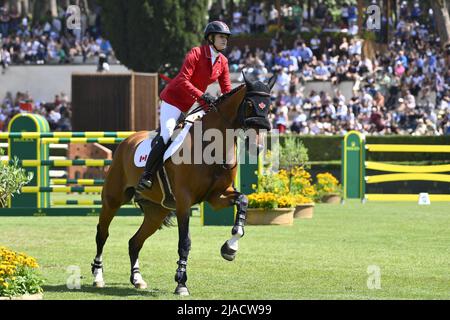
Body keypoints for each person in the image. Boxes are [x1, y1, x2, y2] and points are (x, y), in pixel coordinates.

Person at [136, 21, 232, 192]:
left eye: (226, 38)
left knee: (207, 132)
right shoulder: (196, 53)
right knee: (166, 135)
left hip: (194, 104)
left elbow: (226, 90)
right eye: (221, 37)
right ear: (210, 38)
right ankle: (147, 175)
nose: (225, 40)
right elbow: (182, 80)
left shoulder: (223, 61)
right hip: (174, 101)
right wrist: (202, 95)